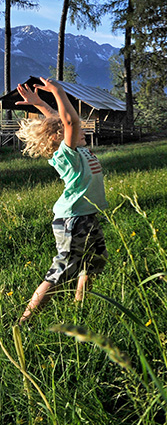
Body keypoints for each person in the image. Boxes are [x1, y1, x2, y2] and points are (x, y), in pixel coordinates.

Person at [15, 78, 108, 323]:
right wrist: (58, 92)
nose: (82, 130)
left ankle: (79, 310)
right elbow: (68, 120)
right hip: (73, 219)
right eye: (76, 131)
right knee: (62, 272)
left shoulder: (78, 149)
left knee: (94, 262)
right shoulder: (68, 155)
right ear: (60, 137)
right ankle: (25, 321)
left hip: (86, 216)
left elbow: (59, 120)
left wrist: (40, 104)